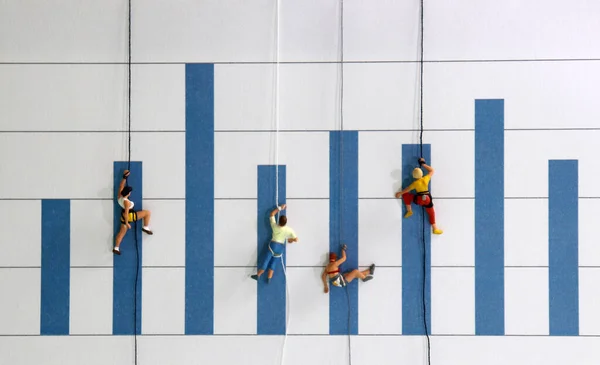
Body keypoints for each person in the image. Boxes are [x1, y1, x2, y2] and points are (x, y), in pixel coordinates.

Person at [395, 157, 443, 235]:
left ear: (414, 176)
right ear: (422, 174)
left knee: (406, 196)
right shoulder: (425, 179)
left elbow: (406, 190)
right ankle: (435, 228)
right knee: (431, 213)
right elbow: (432, 170)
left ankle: (409, 210)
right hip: (427, 199)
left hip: (419, 199)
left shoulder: (415, 184)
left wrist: (400, 193)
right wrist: (423, 164)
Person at [251, 204, 298, 282]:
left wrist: (280, 208)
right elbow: (296, 239)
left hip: (273, 245)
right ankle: (269, 278)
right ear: (286, 222)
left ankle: (258, 275)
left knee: (266, 260)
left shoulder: (274, 226)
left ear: (279, 221)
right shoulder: (289, 230)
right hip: (280, 248)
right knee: (273, 263)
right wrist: (290, 240)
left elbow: (272, 214)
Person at [113, 169, 153, 255]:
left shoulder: (119, 196)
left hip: (122, 217)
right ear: (128, 194)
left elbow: (121, 186)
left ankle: (116, 248)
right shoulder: (126, 202)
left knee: (121, 233)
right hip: (129, 216)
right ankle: (145, 227)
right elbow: (127, 213)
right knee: (147, 213)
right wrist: (127, 223)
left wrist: (124, 177)